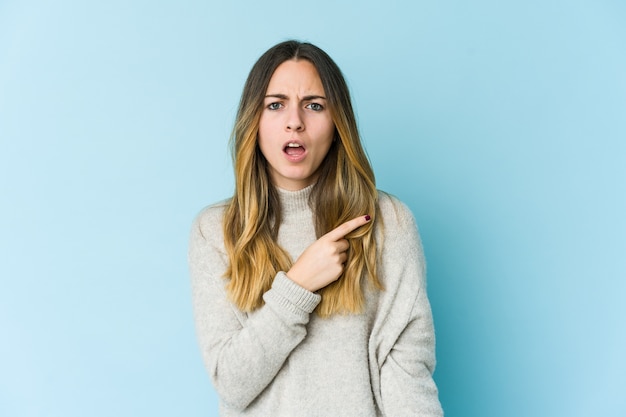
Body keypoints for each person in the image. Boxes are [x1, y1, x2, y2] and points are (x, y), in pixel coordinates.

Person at [189, 40, 443, 416]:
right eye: (275, 105)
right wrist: (297, 286)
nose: (295, 121)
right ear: (253, 123)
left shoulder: (388, 224)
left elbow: (408, 378)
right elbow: (232, 383)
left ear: (337, 122)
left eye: (314, 104)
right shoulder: (217, 232)